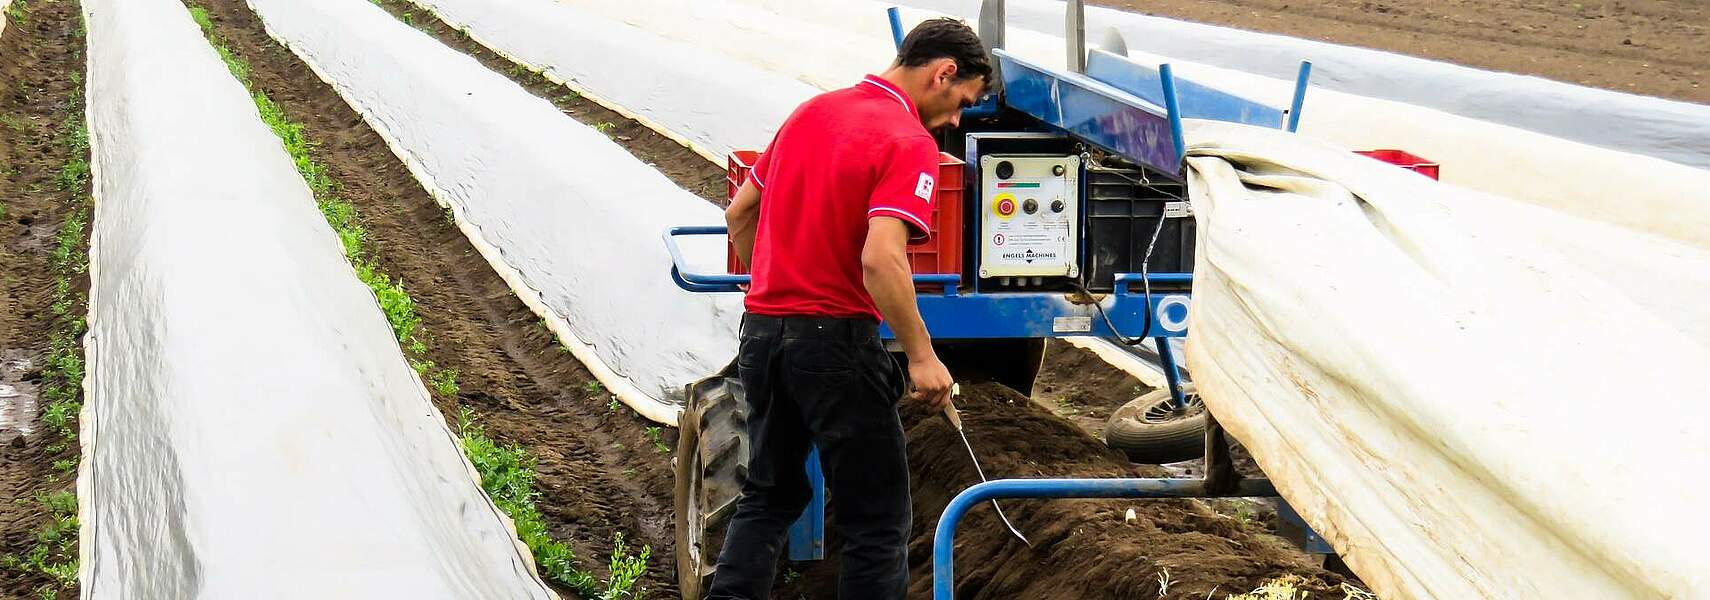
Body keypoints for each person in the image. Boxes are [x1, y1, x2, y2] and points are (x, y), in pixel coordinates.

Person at [710, 17, 992, 600]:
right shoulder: (909, 142)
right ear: (943, 73)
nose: (958, 119)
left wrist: (773, 292)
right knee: (876, 520)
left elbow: (740, 213)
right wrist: (922, 356)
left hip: (763, 333)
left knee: (769, 496)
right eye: (963, 100)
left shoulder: (811, 112)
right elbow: (881, 260)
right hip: (835, 341)